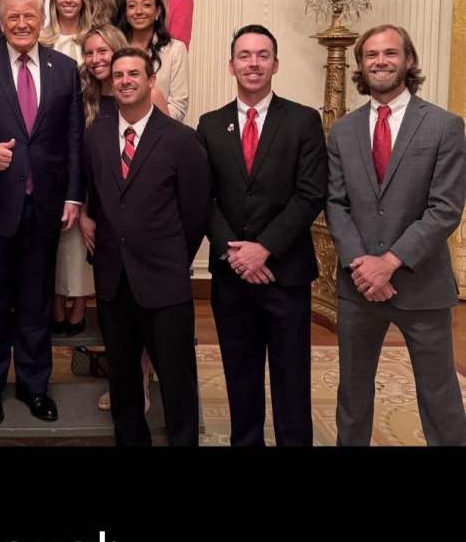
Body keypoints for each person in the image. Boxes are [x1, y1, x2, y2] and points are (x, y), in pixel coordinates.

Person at [325, 24, 466, 446]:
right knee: (352, 394)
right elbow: (335, 204)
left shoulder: (444, 125)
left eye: (390, 53)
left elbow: (445, 208)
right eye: (371, 55)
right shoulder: (342, 130)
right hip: (359, 286)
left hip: (421, 285)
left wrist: (389, 263)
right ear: (360, 64)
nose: (381, 61)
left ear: (408, 60)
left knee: (439, 396)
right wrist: (362, 265)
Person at [0, 0, 84, 426]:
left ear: (41, 20)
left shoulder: (65, 69)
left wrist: (73, 196)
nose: (22, 24)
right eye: (13, 17)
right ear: (1, 22)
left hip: (45, 205)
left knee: (35, 303)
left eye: (29, 16)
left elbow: (73, 137)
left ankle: (33, 386)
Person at [197, 24, 327, 447]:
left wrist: (264, 249)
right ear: (231, 65)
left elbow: (310, 194)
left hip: (285, 273)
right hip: (231, 275)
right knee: (240, 375)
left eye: (262, 55)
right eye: (245, 55)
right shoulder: (210, 124)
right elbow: (203, 197)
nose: (253, 63)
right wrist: (236, 253)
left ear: (275, 64)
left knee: (292, 379)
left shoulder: (303, 120)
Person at [82, 48, 209, 446]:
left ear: (151, 81)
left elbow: (195, 213)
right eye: (118, 75)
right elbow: (98, 199)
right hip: (113, 279)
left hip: (164, 280)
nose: (125, 81)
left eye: (134, 74)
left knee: (176, 378)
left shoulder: (181, 139)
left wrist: (171, 257)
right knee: (122, 378)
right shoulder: (96, 135)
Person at [40, 0, 94, 333]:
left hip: (88, 136)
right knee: (55, 228)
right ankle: (55, 302)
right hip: (51, 143)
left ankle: (79, 304)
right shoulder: (42, 40)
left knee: (80, 228)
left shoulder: (93, 38)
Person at [118, 0, 189, 121]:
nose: (138, 11)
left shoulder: (175, 49)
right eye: (132, 6)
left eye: (146, 5)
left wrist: (153, 127)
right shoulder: (116, 48)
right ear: (125, 13)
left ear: (158, 11)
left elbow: (178, 105)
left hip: (160, 128)